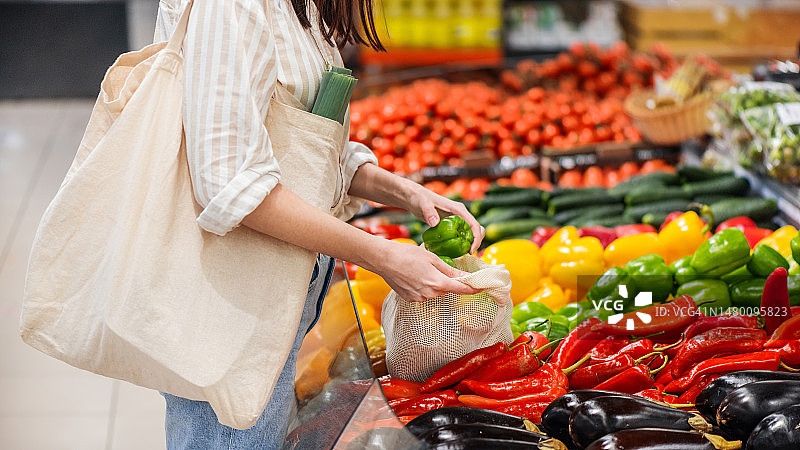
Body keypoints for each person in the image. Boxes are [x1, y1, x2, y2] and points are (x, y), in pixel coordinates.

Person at [153, 0, 486, 448]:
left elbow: (306, 149)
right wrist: (381, 255)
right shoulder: (231, 6)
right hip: (228, 309)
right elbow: (231, 186)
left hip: (272, 299)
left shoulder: (298, 7)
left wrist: (409, 194)